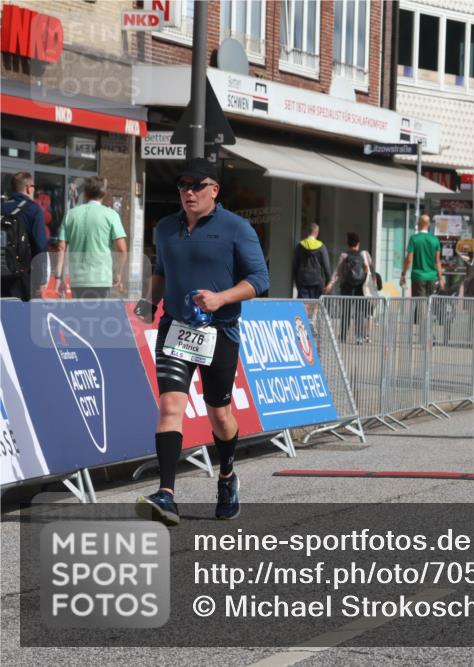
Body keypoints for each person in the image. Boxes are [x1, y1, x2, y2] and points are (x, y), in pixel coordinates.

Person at [133, 158, 269, 526]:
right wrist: (148, 304)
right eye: (183, 186)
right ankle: (166, 494)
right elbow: (162, 271)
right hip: (175, 328)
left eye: (197, 185)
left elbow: (260, 279)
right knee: (170, 406)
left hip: (219, 332)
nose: (189, 192)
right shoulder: (166, 227)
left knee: (219, 415)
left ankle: (227, 476)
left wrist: (221, 298)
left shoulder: (237, 228)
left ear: (214, 190)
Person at [53, 176, 127, 299]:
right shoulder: (111, 215)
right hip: (102, 278)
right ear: (104, 194)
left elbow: (61, 248)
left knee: (79, 311)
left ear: (85, 193)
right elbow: (122, 249)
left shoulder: (70, 215)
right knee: (99, 311)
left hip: (77, 278)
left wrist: (58, 278)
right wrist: (118, 274)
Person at [1, 171, 48, 300]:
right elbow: (40, 245)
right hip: (23, 276)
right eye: (34, 187)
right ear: (28, 188)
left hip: (2, 272)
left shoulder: (2, 207)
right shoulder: (33, 209)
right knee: (24, 311)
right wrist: (42, 277)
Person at [331, 232, 374, 343]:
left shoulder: (344, 256)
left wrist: (331, 283)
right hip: (359, 287)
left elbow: (338, 271)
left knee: (346, 312)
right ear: (358, 244)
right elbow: (367, 269)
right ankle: (359, 337)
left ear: (348, 244)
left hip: (346, 287)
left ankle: (343, 336)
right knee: (360, 312)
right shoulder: (362, 255)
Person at [400, 214, 444, 296]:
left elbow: (409, 260)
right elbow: (437, 261)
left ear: (418, 224)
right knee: (430, 302)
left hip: (418, 277)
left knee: (419, 302)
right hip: (432, 277)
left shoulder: (414, 239)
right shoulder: (435, 240)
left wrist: (403, 274)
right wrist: (440, 278)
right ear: (429, 224)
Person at [291, 223, 333, 299]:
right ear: (317, 233)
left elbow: (295, 266)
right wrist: (328, 282)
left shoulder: (299, 246)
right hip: (317, 282)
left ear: (308, 232)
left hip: (303, 281)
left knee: (304, 304)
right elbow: (326, 266)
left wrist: (296, 282)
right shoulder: (321, 246)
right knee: (315, 304)